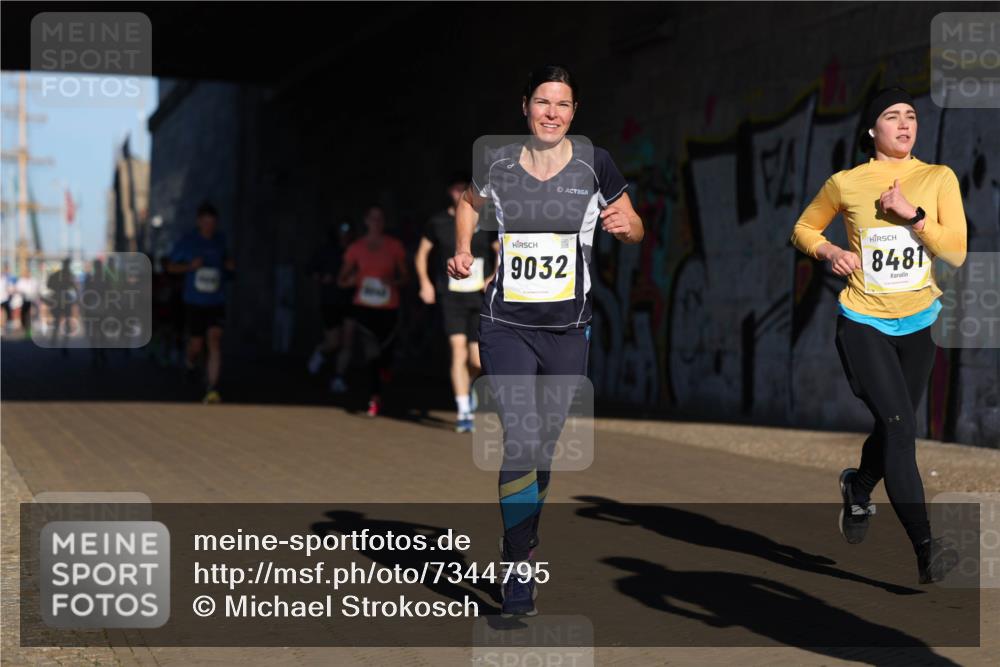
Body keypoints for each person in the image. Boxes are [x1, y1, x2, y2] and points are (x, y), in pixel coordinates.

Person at [448, 65, 643, 616]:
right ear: (525, 106)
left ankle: (521, 537)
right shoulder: (499, 163)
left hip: (566, 329)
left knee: (544, 447)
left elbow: (636, 225)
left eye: (562, 104)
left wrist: (624, 228)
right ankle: (517, 564)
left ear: (574, 112)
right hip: (505, 324)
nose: (551, 112)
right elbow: (468, 202)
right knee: (521, 440)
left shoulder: (595, 163)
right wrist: (464, 248)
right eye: (542, 102)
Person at [791, 87, 967, 584]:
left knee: (896, 427)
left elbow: (955, 252)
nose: (905, 124)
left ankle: (859, 486)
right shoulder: (846, 183)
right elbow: (803, 228)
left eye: (911, 116)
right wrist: (829, 252)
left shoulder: (938, 178)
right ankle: (927, 549)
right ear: (872, 129)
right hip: (863, 322)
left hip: (918, 323)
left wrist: (913, 215)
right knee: (901, 429)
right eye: (892, 117)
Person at [416, 174, 499, 432]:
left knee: (476, 360)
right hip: (451, 296)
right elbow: (421, 255)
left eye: (464, 188)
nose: (460, 192)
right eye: (456, 189)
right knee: (457, 351)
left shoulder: (486, 222)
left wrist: (493, 277)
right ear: (449, 192)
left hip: (479, 296)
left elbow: (503, 251)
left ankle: (470, 391)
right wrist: (425, 284)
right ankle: (464, 411)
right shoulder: (438, 222)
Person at [337, 205, 408, 417]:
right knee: (372, 355)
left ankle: (384, 373)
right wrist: (354, 279)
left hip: (388, 307)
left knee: (385, 355)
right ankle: (374, 398)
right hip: (364, 307)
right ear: (366, 221)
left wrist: (393, 281)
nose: (376, 222)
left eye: (380, 218)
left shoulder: (394, 246)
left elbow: (405, 277)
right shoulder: (356, 248)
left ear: (383, 222)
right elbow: (341, 280)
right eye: (372, 218)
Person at [168, 201, 235, 404]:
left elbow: (228, 268)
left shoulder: (221, 241)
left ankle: (212, 388)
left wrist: (230, 267)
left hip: (216, 300)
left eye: (212, 223)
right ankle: (189, 362)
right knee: (196, 344)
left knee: (214, 340)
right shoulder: (188, 242)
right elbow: (170, 267)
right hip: (195, 301)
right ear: (199, 222)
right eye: (205, 223)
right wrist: (189, 266)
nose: (209, 227)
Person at [307, 221, 356, 393]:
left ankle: (338, 378)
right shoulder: (325, 251)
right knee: (333, 342)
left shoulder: (356, 251)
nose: (345, 235)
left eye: (348, 231)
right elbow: (311, 272)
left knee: (347, 342)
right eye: (341, 231)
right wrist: (322, 279)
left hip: (350, 301)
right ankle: (320, 353)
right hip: (330, 301)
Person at [15, 267, 40, 340]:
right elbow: (17, 289)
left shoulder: (34, 281)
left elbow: (37, 290)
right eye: (25, 273)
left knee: (29, 315)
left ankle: (29, 331)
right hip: (23, 301)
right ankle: (25, 328)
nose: (26, 274)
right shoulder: (21, 281)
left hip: (32, 301)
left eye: (27, 273)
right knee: (23, 315)